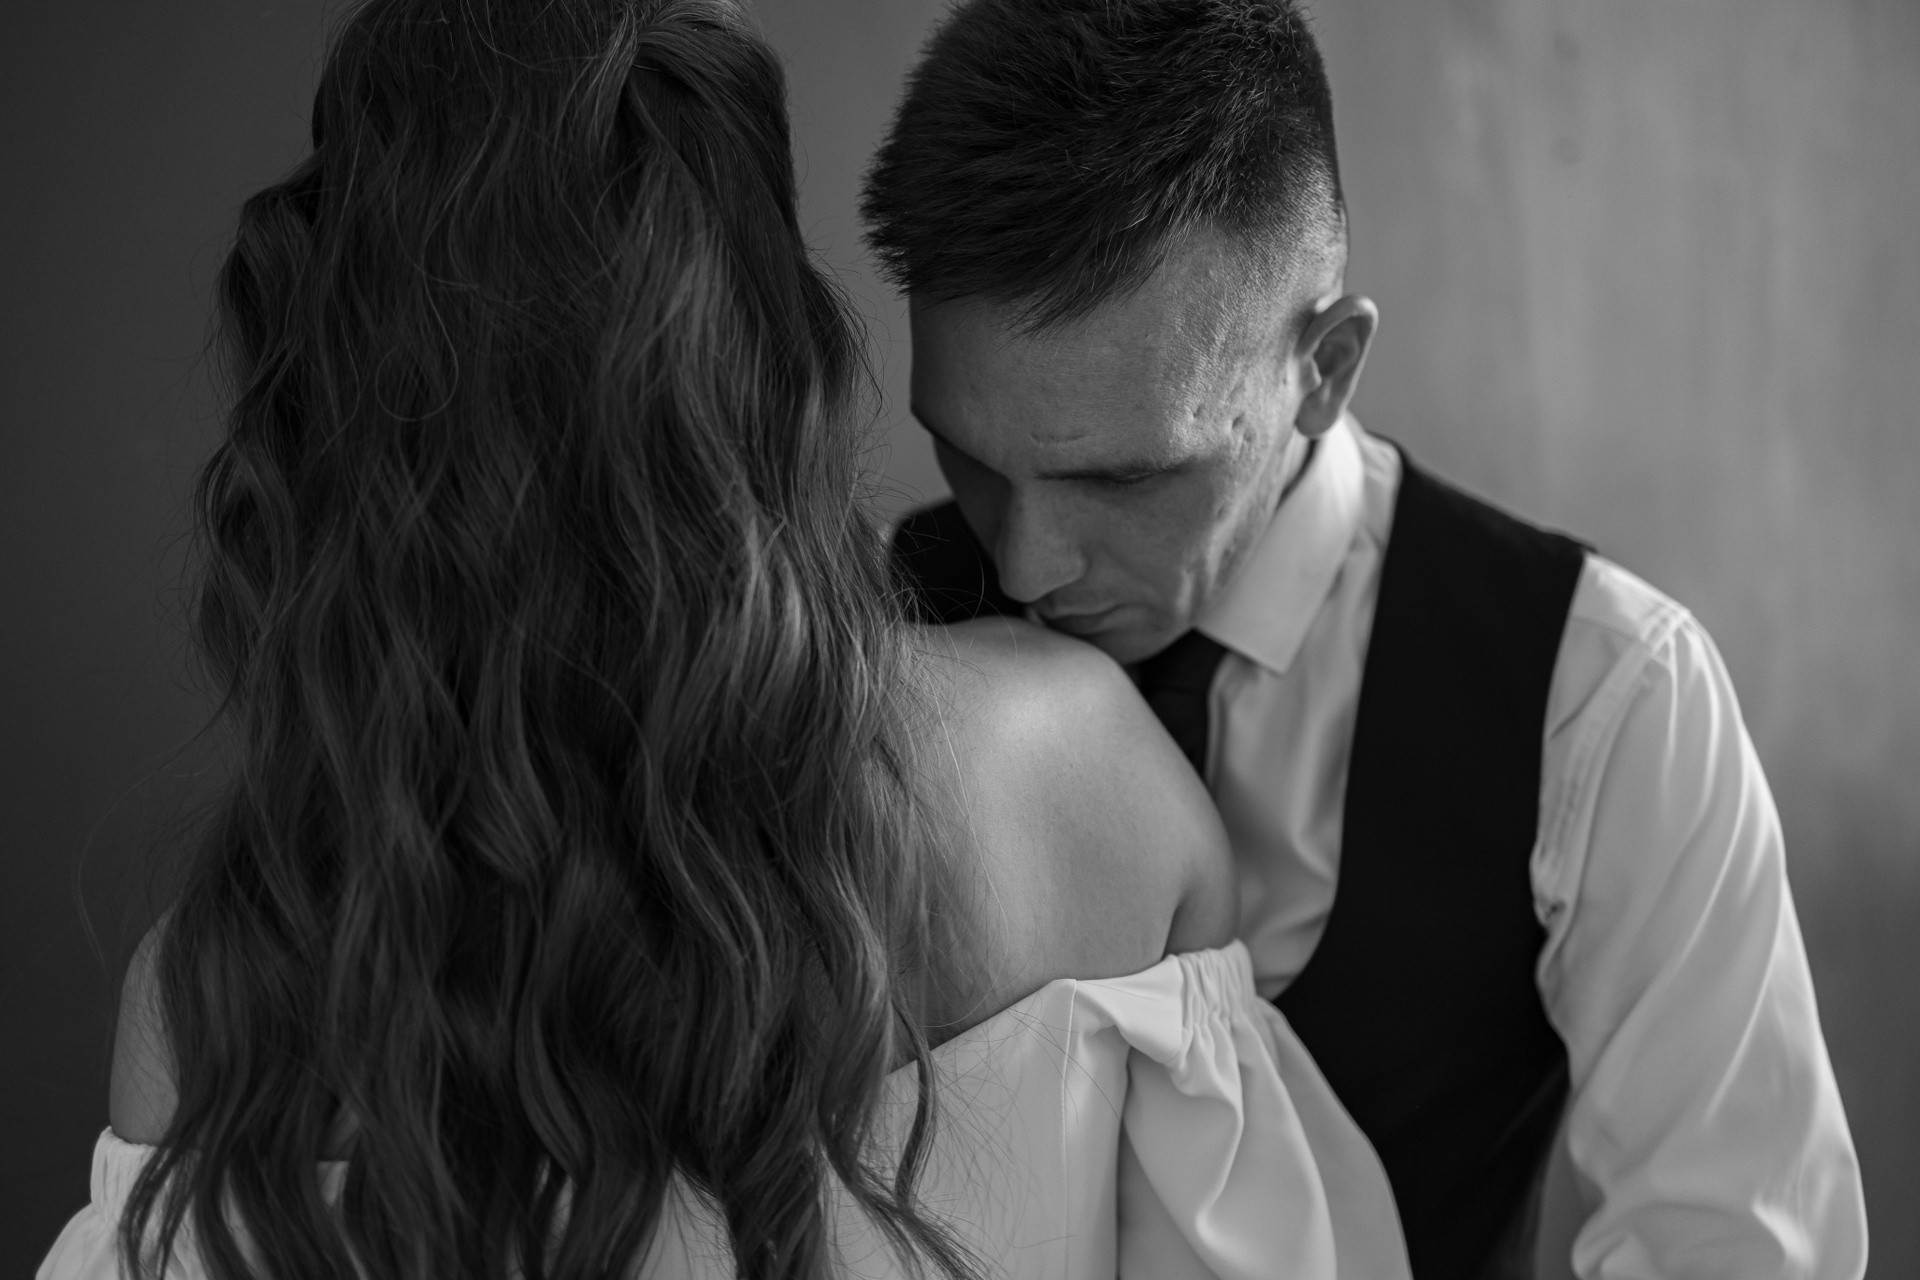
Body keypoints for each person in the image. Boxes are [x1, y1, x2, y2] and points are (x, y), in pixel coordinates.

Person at [38, 1, 1411, 1278]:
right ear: (777, 357)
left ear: (320, 412)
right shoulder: (1078, 768)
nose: (1031, 560)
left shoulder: (222, 998)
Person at [865, 1, 1868, 1278]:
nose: (1022, 564)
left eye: (1122, 478)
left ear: (1327, 368)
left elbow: (1737, 1248)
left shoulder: (1606, 696)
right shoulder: (851, 626)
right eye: (967, 454)